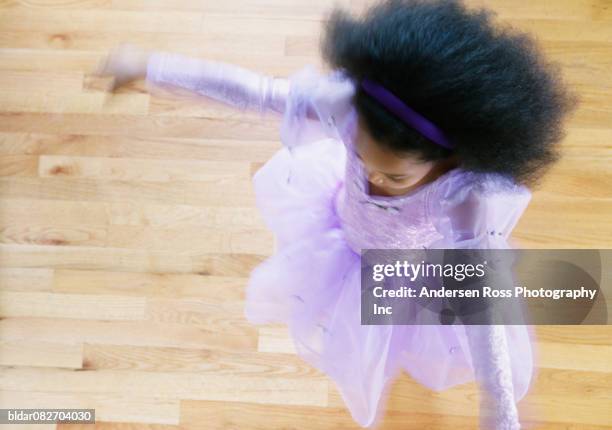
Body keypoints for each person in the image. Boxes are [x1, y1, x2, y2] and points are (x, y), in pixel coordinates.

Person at [93, 1, 578, 428]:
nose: (372, 178)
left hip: (407, 269)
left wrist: (499, 410)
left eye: (395, 177)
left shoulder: (462, 198)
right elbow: (256, 92)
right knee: (349, 321)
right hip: (344, 236)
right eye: (362, 157)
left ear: (448, 160)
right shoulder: (348, 107)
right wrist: (150, 67)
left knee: (406, 335)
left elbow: (479, 303)